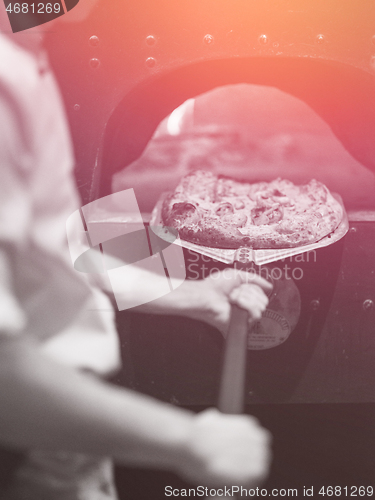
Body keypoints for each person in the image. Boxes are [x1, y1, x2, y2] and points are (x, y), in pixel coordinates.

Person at [0, 2, 272, 499]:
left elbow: (60, 260)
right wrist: (190, 441)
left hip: (66, 436)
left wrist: (196, 296)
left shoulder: (23, 54)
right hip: (26, 450)